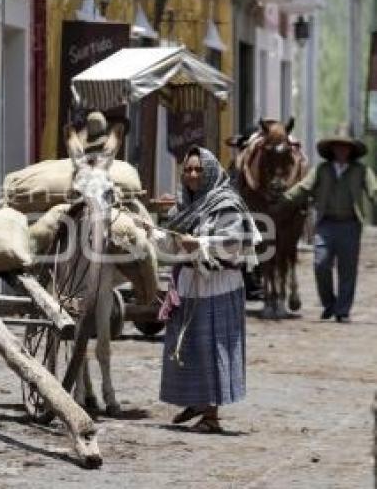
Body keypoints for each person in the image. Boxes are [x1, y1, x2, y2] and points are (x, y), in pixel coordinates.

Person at [155, 146, 261, 433]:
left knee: (212, 347)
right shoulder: (182, 206)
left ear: (211, 172)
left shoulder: (226, 203)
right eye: (187, 169)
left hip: (218, 285)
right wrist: (160, 237)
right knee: (187, 346)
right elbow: (169, 245)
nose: (191, 175)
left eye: (198, 170)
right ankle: (198, 402)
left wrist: (200, 244)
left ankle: (211, 416)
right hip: (189, 283)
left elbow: (233, 243)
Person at [277, 128, 377, 323]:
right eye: (337, 146)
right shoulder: (321, 170)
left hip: (350, 225)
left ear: (351, 150)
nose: (341, 150)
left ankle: (342, 310)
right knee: (320, 263)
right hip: (326, 224)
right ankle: (329, 303)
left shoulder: (362, 171)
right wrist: (283, 199)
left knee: (347, 269)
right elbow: (304, 188)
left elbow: (374, 190)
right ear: (332, 149)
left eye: (345, 147)